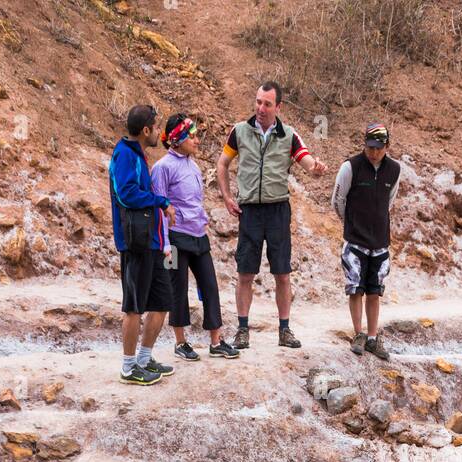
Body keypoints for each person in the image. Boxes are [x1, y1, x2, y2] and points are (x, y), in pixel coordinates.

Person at [216, 81, 327, 351]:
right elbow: (223, 163)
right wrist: (227, 197)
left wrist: (315, 168)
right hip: (250, 210)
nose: (260, 108)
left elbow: (306, 159)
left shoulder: (288, 135)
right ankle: (242, 330)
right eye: (258, 102)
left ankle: (284, 330)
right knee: (245, 272)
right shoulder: (239, 131)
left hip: (278, 210)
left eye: (267, 104)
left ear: (278, 106)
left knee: (282, 273)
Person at [151, 114, 238, 361]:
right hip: (175, 238)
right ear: (177, 139)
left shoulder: (194, 165)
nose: (197, 141)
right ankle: (181, 342)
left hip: (198, 236)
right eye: (192, 136)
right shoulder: (162, 168)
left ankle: (216, 340)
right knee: (176, 288)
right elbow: (159, 208)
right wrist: (164, 244)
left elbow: (194, 201)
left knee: (210, 285)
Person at [108, 103, 176, 384]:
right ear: (145, 130)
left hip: (152, 241)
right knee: (134, 306)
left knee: (161, 302)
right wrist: (161, 201)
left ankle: (145, 359)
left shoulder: (139, 154)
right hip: (135, 242)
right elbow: (126, 194)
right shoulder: (124, 154)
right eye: (156, 127)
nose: (159, 132)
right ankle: (128, 366)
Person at [331, 122, 400, 361]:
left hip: (380, 242)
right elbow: (338, 200)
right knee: (355, 288)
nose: (373, 152)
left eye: (378, 148)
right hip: (355, 240)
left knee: (374, 291)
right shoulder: (351, 167)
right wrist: (350, 223)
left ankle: (372, 337)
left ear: (386, 147)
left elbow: (389, 201)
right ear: (365, 145)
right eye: (370, 147)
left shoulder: (394, 170)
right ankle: (358, 333)